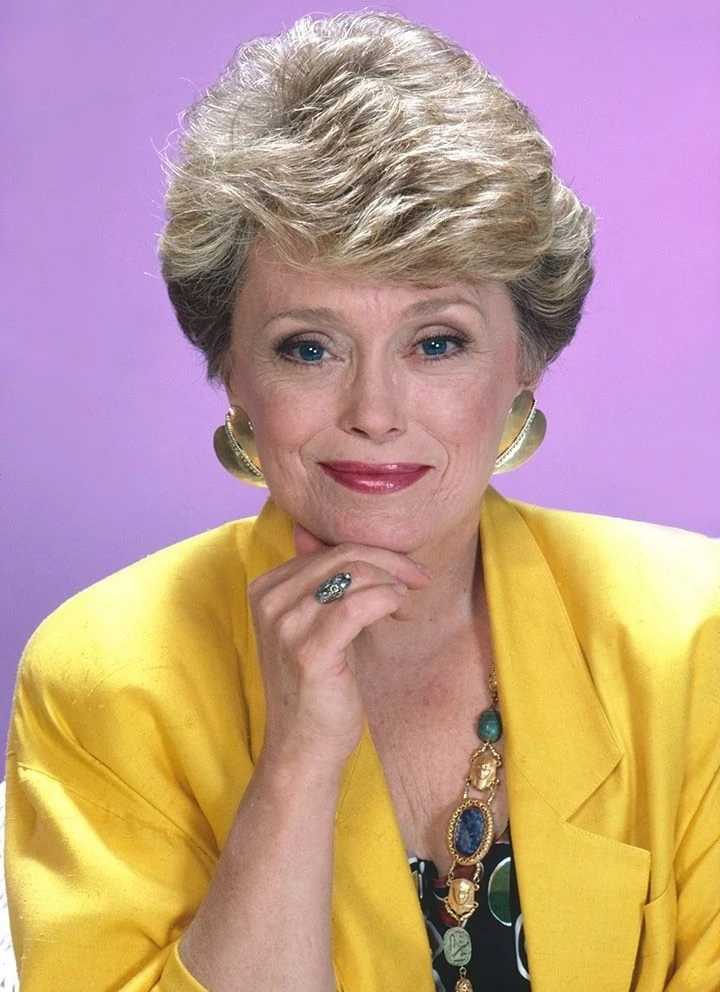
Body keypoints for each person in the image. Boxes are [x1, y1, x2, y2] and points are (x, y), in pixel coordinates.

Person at [5, 12, 719, 992]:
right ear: (233, 372)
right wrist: (297, 765)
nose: (373, 412)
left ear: (523, 364)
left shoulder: (697, 635)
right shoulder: (106, 678)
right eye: (309, 347)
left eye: (436, 342)